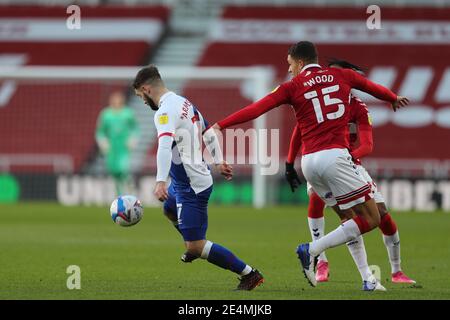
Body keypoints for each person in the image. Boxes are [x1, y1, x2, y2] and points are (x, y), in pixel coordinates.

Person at [207, 41, 409, 288]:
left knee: (348, 219)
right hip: (335, 157)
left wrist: (221, 125)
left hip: (310, 163)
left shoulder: (292, 86)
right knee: (372, 217)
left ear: (300, 62)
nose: (290, 69)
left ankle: (367, 279)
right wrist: (393, 98)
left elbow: (256, 108)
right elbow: (372, 87)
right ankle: (312, 250)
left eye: (290, 64)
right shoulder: (341, 75)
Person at [285, 59, 416, 289]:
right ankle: (325, 260)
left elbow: (367, 144)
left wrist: (350, 157)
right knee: (343, 214)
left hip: (346, 163)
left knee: (379, 215)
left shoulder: (358, 108)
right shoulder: (320, 100)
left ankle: (389, 272)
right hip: (326, 162)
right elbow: (298, 131)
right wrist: (288, 162)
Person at [132, 65, 264, 290]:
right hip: (185, 182)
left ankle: (250, 274)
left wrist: (160, 181)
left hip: (192, 187)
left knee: (195, 246)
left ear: (146, 89)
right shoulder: (184, 102)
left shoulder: (164, 112)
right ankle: (191, 239)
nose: (143, 101)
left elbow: (164, 147)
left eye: (140, 96)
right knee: (169, 209)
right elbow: (208, 132)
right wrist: (219, 161)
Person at [95, 91, 139, 195]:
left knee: (123, 169)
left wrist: (133, 139)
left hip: (123, 147)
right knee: (114, 172)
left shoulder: (128, 113)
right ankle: (119, 194)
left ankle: (131, 190)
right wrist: (103, 142)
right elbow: (100, 131)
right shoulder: (106, 114)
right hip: (112, 148)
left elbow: (135, 128)